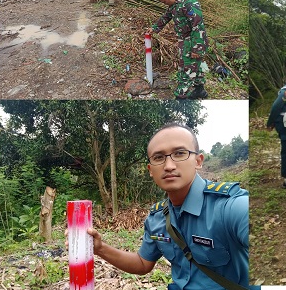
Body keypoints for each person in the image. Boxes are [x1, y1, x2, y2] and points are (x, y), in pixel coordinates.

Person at [83, 123, 250, 290]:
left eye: (179, 153)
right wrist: (100, 249)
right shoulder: (157, 218)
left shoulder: (229, 206)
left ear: (198, 161)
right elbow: (142, 263)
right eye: (158, 157)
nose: (169, 166)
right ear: (150, 170)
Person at [143, 0, 208, 99]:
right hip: (183, 40)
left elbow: (198, 27)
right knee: (194, 66)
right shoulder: (174, 3)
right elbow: (167, 16)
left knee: (186, 68)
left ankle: (180, 97)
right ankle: (200, 90)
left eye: (164, 1)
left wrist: (197, 49)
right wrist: (154, 28)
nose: (164, 4)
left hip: (193, 40)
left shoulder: (189, 3)